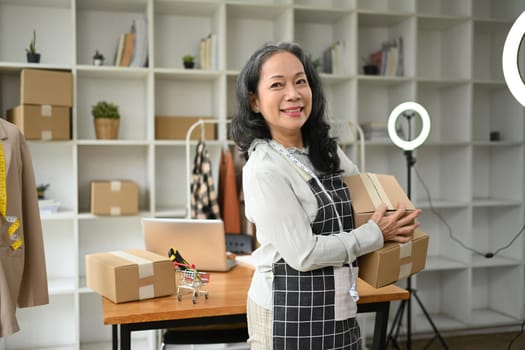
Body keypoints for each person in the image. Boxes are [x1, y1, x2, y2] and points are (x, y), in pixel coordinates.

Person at [230, 41, 422, 350]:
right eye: (277, 85)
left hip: (336, 304)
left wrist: (393, 215)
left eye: (300, 81)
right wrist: (375, 232)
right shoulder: (263, 168)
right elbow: (304, 254)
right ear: (254, 101)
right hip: (285, 312)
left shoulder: (326, 152)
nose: (293, 94)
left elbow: (364, 201)